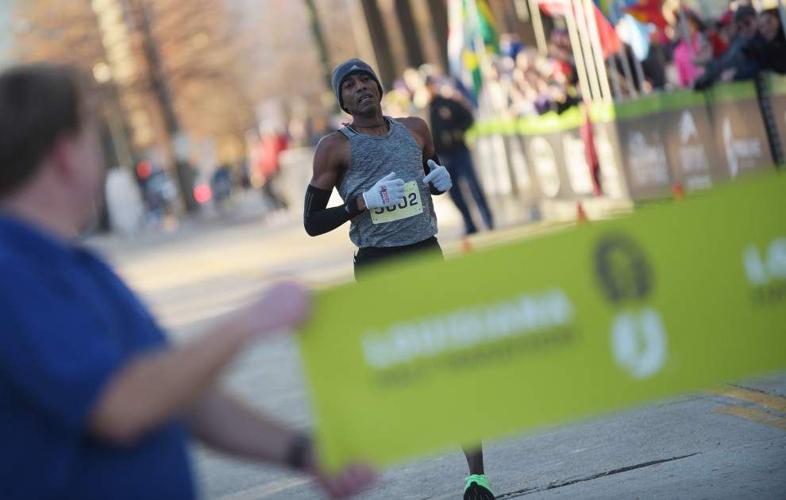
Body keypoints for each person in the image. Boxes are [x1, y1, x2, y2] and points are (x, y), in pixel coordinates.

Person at [0, 63, 375, 500]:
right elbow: (121, 404)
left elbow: (176, 392)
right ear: (65, 155)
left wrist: (304, 451)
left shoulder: (76, 264)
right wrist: (249, 322)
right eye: (93, 139)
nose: (101, 159)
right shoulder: (13, 272)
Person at [303, 58, 494, 500]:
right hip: (378, 264)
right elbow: (311, 222)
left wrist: (439, 180)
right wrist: (359, 203)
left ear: (379, 85)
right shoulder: (335, 147)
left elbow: (431, 170)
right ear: (343, 101)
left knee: (453, 365)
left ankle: (477, 478)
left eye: (365, 79)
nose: (360, 88)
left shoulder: (416, 129)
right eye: (349, 86)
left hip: (426, 254)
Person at [425, 75, 494, 235]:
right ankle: (469, 223)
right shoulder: (426, 108)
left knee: (473, 186)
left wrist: (457, 133)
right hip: (442, 156)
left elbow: (468, 119)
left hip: (459, 151)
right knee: (454, 193)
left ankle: (487, 219)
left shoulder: (450, 102)